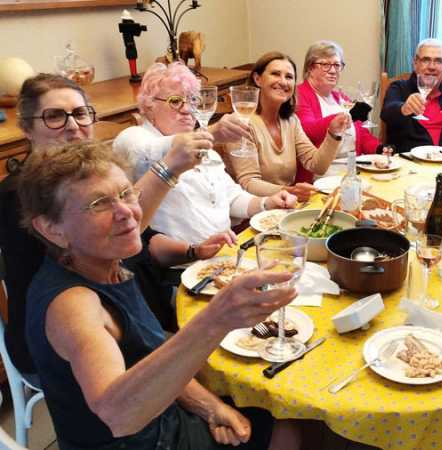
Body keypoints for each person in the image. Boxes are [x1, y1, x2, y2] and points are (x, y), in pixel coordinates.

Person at [18, 141, 300, 450]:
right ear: (52, 229)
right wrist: (216, 318)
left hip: (164, 415)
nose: (127, 213)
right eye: (98, 203)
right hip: (147, 441)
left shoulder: (102, 260)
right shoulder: (73, 305)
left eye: (126, 193)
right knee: (292, 425)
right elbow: (118, 415)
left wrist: (210, 406)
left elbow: (146, 357)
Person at [0, 73, 222, 383]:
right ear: (26, 128)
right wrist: (167, 169)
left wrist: (193, 250)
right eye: (54, 116)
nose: (73, 125)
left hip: (130, 315)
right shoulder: (19, 195)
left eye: (79, 113)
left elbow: (140, 236)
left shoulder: (89, 177)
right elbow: (107, 244)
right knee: (218, 364)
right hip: (65, 343)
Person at [114, 62, 297, 244]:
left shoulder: (205, 148)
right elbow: (147, 153)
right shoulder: (134, 137)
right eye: (175, 101)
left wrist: (268, 203)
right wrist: (212, 134)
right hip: (178, 263)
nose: (187, 109)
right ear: (150, 105)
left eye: (192, 100)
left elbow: (231, 198)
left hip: (225, 253)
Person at [224, 51, 350, 202]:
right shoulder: (240, 122)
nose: (283, 82)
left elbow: (316, 165)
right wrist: (290, 191)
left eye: (289, 77)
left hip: (285, 205)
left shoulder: (291, 121)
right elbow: (249, 183)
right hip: (252, 212)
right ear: (258, 79)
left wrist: (333, 133)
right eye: (275, 74)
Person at [295, 40, 381, 184]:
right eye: (325, 65)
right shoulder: (299, 94)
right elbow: (307, 131)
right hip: (321, 177)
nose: (333, 70)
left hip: (353, 172)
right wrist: (346, 116)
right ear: (310, 67)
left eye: (337, 65)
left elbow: (362, 134)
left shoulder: (341, 98)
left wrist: (379, 149)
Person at [380, 38, 442, 153]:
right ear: (415, 63)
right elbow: (386, 114)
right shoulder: (398, 87)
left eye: (438, 61)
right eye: (425, 60)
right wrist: (404, 108)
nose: (432, 67)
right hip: (409, 161)